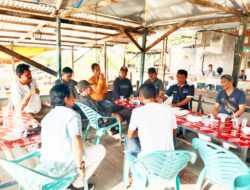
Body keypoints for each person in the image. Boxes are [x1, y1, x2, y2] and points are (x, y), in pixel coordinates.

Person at [38, 84, 106, 189]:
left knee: (84, 147)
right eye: (72, 96)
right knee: (100, 149)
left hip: (47, 164)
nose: (74, 98)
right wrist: (80, 166)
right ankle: (77, 184)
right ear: (66, 99)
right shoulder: (72, 115)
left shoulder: (47, 117)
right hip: (64, 165)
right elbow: (76, 140)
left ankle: (72, 180)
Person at [125, 83, 177, 158]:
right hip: (168, 159)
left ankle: (135, 160)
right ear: (156, 96)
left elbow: (130, 134)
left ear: (140, 97)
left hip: (149, 161)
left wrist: (142, 132)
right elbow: (174, 133)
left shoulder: (137, 111)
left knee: (127, 138)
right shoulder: (168, 109)